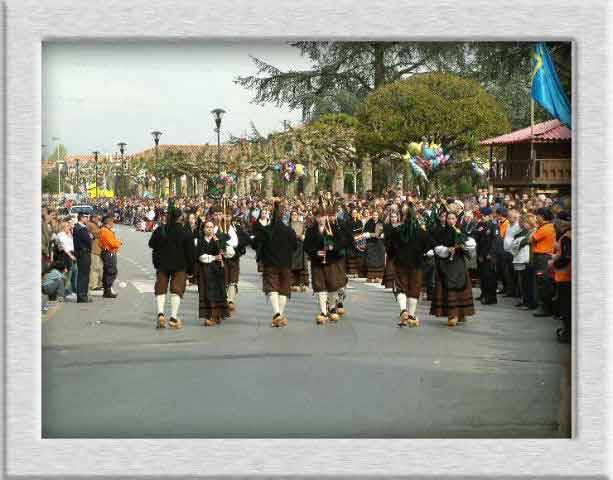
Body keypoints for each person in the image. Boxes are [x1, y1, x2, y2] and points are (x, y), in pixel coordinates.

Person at [148, 204, 195, 329]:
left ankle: (160, 314)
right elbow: (190, 253)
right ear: (180, 218)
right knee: (177, 290)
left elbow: (151, 244)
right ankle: (173, 318)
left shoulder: (160, 229)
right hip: (180, 265)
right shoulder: (186, 232)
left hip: (162, 264)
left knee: (161, 288)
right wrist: (191, 270)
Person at [252, 200, 298, 327]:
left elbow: (255, 244)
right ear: (283, 216)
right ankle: (280, 314)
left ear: (271, 215)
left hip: (270, 263)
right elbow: (295, 246)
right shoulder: (289, 231)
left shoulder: (266, 230)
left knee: (272, 287)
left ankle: (277, 313)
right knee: (283, 289)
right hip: (286, 263)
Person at [304, 201, 351, 324]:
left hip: (332, 261)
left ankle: (331, 308)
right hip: (317, 263)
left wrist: (333, 247)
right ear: (315, 217)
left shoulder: (334, 228)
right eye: (318, 216)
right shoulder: (310, 230)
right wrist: (315, 253)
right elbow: (306, 246)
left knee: (332, 286)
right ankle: (323, 312)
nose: (321, 219)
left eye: (323, 216)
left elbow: (343, 242)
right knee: (320, 287)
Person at [387, 203, 433, 327]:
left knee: (401, 287)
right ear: (415, 217)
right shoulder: (422, 233)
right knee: (414, 289)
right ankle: (411, 316)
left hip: (400, 263)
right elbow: (429, 248)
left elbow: (390, 248)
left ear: (403, 217)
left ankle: (403, 310)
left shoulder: (396, 231)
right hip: (416, 264)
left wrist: (392, 257)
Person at [430, 211, 476, 326]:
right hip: (446, 264)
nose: (451, 220)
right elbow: (436, 247)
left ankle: (461, 313)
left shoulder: (461, 231)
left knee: (460, 286)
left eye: (453, 218)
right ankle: (452, 314)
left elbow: (471, 244)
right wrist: (447, 250)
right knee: (448, 287)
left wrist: (462, 245)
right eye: (448, 218)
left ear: (456, 220)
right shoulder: (441, 232)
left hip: (458, 263)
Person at [530, 208, 557, 317]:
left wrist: (534, 231)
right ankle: (544, 306)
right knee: (541, 282)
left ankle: (545, 308)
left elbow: (531, 239)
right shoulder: (545, 227)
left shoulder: (546, 228)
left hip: (543, 257)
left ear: (543, 216)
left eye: (538, 216)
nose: (536, 218)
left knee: (543, 283)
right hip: (541, 257)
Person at [552, 211, 571, 343]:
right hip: (567, 276)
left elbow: (566, 257)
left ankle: (567, 333)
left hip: (565, 277)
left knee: (566, 307)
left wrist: (554, 262)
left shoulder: (567, 237)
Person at [475, 207, 499, 305]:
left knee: (490, 277)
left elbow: (495, 241)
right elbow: (477, 238)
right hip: (482, 254)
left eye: (484, 216)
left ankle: (491, 297)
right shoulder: (481, 225)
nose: (482, 217)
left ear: (489, 216)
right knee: (483, 276)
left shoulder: (494, 226)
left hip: (489, 255)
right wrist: (480, 254)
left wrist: (491, 253)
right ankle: (484, 294)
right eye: (482, 216)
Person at [99, 215, 123, 298]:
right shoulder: (105, 231)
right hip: (109, 252)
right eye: (112, 222)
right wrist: (119, 243)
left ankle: (107, 289)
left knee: (109, 271)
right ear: (109, 222)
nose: (113, 224)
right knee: (111, 271)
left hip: (109, 252)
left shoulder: (106, 230)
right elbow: (113, 243)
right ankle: (108, 290)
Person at [73, 212, 93, 303]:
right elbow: (88, 240)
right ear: (81, 218)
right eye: (85, 217)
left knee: (84, 275)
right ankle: (82, 296)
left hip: (82, 253)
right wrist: (90, 237)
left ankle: (83, 295)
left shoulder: (79, 227)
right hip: (83, 253)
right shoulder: (80, 228)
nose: (87, 218)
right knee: (83, 275)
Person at [289, 210, 309, 292]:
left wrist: (303, 236)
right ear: (290, 216)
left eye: (295, 214)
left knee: (303, 265)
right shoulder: (288, 225)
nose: (294, 216)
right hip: (292, 247)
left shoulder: (302, 224)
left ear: (298, 216)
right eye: (293, 214)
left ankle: (303, 284)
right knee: (293, 266)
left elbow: (305, 233)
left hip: (301, 246)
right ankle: (293, 284)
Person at [87, 214, 104, 291]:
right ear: (93, 218)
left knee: (100, 268)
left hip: (99, 249)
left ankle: (99, 283)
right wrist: (102, 229)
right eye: (97, 218)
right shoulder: (90, 224)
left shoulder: (96, 225)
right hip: (94, 249)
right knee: (95, 268)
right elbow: (96, 234)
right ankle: (93, 285)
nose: (99, 220)